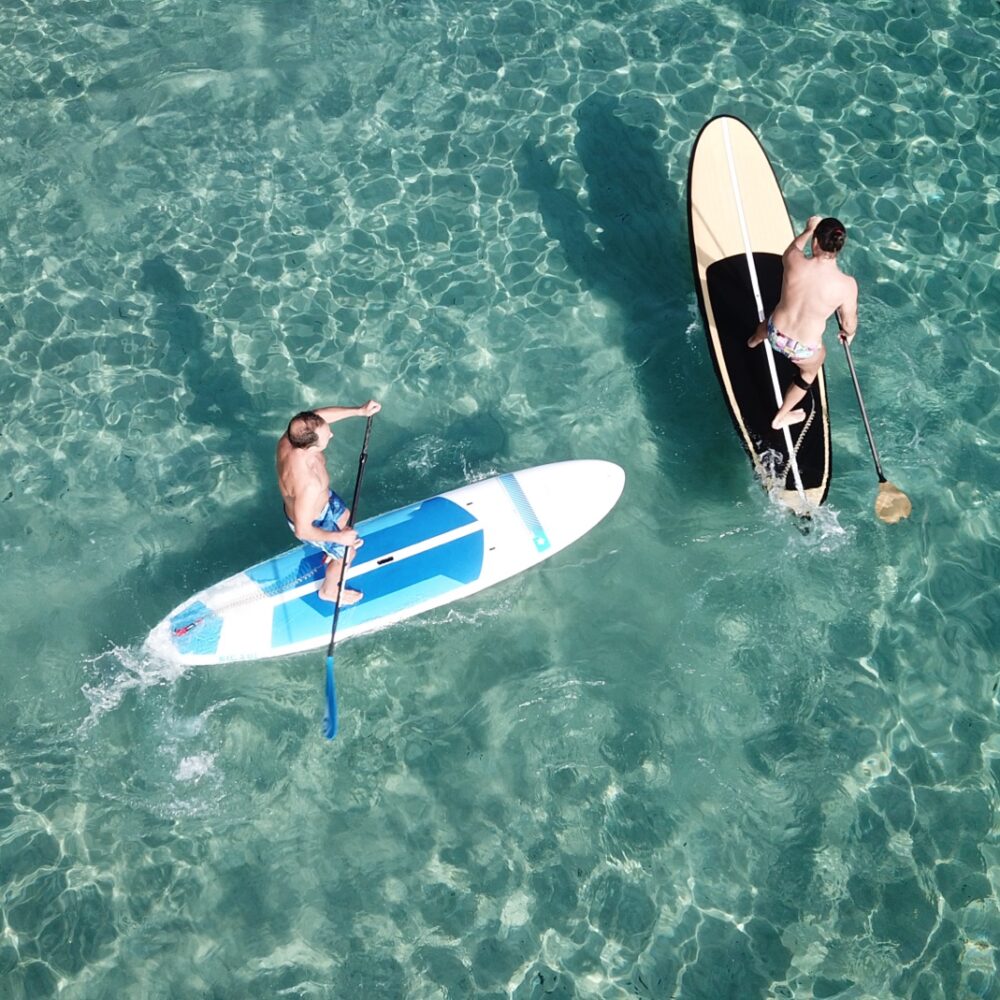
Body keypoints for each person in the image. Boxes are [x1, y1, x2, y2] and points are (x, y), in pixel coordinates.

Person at [748, 215, 858, 429]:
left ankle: (752, 341)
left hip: (773, 331)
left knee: (774, 315)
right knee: (809, 372)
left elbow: (793, 247)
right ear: (839, 248)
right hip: (801, 350)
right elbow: (849, 324)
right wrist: (848, 333)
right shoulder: (847, 286)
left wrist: (808, 230)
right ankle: (781, 417)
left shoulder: (793, 259)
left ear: (815, 242)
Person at [276, 400, 381, 603]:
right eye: (326, 436)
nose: (331, 434)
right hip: (312, 520)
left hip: (323, 501)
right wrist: (340, 540)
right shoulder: (308, 484)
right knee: (347, 553)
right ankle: (329, 591)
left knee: (346, 518)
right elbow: (302, 530)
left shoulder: (291, 439)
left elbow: (318, 417)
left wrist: (360, 411)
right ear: (310, 446)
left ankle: (333, 551)